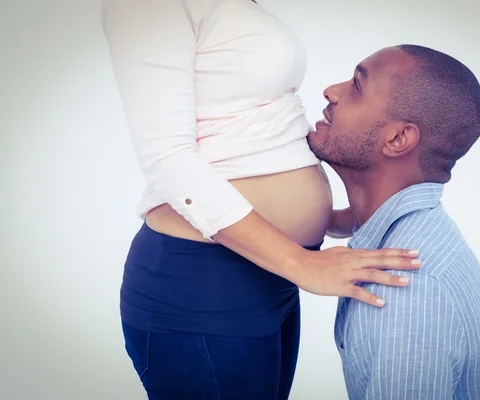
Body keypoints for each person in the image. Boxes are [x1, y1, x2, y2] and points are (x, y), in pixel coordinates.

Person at [101, 0, 421, 399]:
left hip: (274, 275)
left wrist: (332, 218)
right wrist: (301, 263)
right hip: (206, 283)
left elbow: (257, 130)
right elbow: (168, 160)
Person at [309, 45, 480, 399]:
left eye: (356, 87)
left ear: (397, 139)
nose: (331, 92)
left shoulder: (405, 290)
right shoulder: (414, 228)